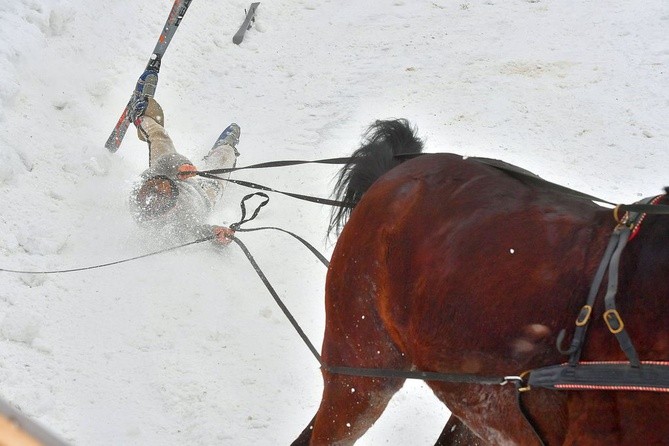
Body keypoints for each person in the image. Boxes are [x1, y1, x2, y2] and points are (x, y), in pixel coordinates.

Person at [127, 73, 237, 246]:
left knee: (160, 138)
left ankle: (140, 114)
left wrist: (181, 166)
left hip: (178, 174)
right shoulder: (176, 223)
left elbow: (165, 161)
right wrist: (218, 235)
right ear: (170, 210)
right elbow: (198, 231)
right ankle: (226, 146)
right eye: (165, 192)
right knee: (223, 162)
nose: (161, 186)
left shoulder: (151, 178)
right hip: (205, 196)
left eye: (161, 184)